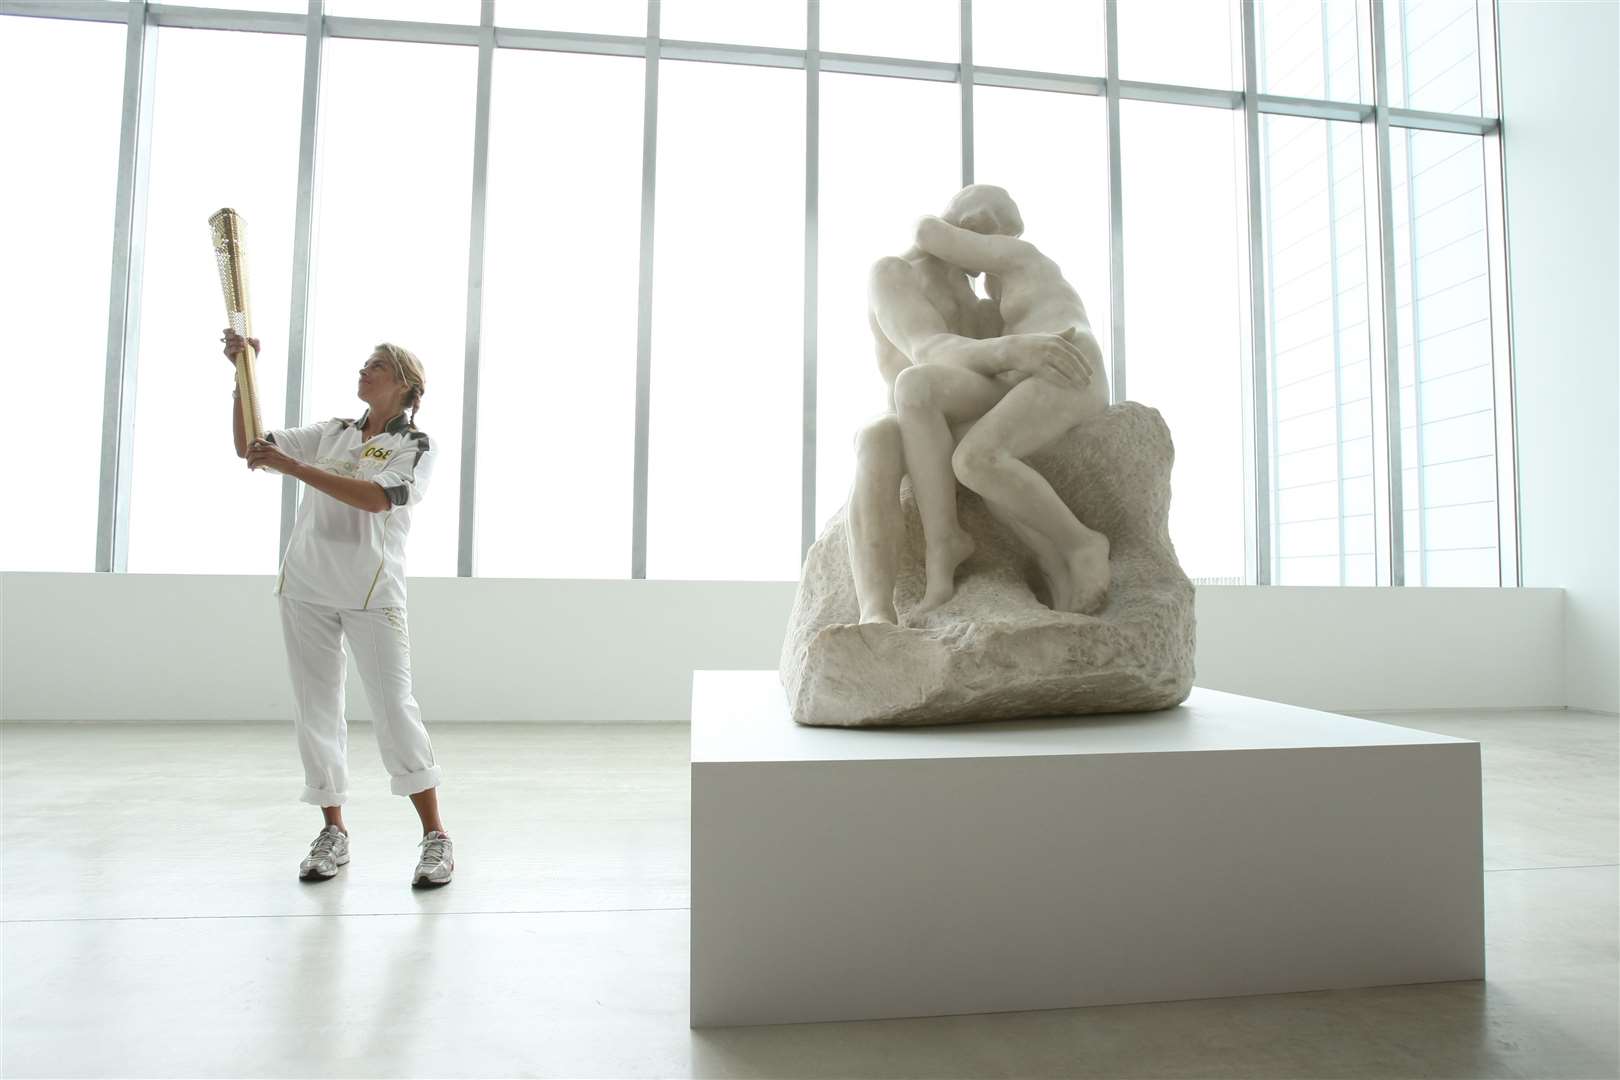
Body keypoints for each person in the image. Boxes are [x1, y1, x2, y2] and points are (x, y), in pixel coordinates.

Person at [224, 329, 453, 887]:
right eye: (364, 363)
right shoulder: (331, 432)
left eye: (376, 364)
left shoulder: (413, 445)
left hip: (371, 595)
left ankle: (435, 836)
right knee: (316, 711)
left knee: (395, 710)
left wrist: (293, 468)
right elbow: (252, 445)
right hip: (305, 588)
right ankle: (333, 832)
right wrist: (241, 372)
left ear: (405, 383)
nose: (363, 370)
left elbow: (377, 498)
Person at [850, 185, 1097, 623]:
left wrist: (1018, 356)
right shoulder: (892, 273)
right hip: (920, 405)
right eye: (1001, 236)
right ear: (971, 227)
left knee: (946, 419)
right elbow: (927, 347)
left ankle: (966, 546)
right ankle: (876, 610)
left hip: (959, 402)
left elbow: (997, 376)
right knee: (876, 437)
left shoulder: (985, 301)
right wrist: (1014, 350)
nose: (1003, 250)